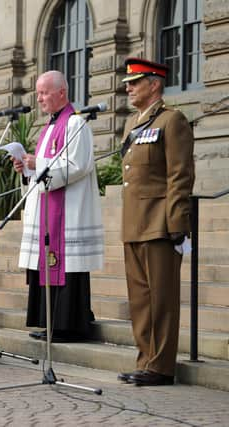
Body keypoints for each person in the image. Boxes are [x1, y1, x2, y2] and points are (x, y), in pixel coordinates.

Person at [117, 58, 195, 386]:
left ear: (154, 84)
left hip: (161, 224)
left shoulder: (172, 121)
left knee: (161, 299)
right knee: (140, 300)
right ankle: (145, 359)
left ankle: (161, 367)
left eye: (135, 82)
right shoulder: (133, 124)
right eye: (128, 83)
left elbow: (180, 176)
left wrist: (178, 222)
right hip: (134, 223)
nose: (128, 88)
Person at [13, 70, 104, 342]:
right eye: (38, 93)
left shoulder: (76, 124)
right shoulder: (49, 127)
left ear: (61, 92)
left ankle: (69, 326)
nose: (39, 98)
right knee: (46, 265)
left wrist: (36, 164)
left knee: (65, 266)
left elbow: (77, 167)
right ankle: (51, 323)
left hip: (68, 213)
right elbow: (43, 170)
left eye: (43, 92)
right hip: (47, 210)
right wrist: (26, 168)